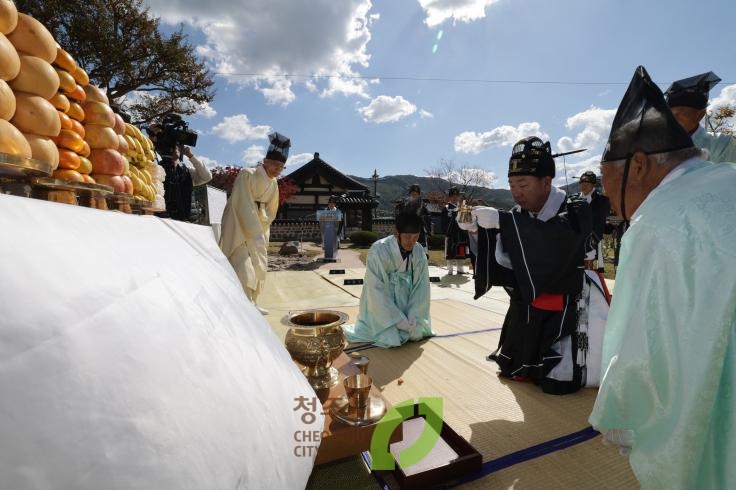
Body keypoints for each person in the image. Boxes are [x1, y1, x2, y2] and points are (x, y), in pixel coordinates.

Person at [589, 66, 736, 489]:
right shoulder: (724, 175)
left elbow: (646, 350)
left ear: (638, 166)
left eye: (608, 183)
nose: (615, 209)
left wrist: (619, 414)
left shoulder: (660, 219)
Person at [459, 136, 609, 395]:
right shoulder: (518, 215)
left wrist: (504, 224)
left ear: (547, 181)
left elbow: (558, 243)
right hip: (527, 304)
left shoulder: (574, 209)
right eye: (512, 185)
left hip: (568, 302)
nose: (517, 192)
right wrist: (477, 232)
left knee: (557, 383)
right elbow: (508, 257)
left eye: (523, 184)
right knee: (515, 371)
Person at [219, 132, 290, 315]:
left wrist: (262, 227)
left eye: (281, 166)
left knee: (259, 265)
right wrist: (255, 229)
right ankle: (243, 306)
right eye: (274, 164)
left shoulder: (273, 183)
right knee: (243, 267)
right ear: (265, 160)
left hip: (259, 224)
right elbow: (242, 203)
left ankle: (253, 301)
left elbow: (272, 208)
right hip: (239, 225)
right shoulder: (247, 174)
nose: (277, 169)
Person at [342, 212, 434, 348]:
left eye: (416, 237)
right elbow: (375, 288)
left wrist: (414, 314)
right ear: (396, 233)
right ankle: (390, 321)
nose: (412, 241)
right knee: (390, 336)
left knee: (415, 333)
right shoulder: (379, 249)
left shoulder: (419, 251)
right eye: (408, 236)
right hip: (380, 304)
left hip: (407, 301)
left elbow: (421, 286)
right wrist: (397, 319)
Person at [665, 71, 736, 163]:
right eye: (669, 115)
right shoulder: (660, 145)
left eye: (679, 114)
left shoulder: (722, 143)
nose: (673, 120)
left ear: (700, 115)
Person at [158, 143, 212, 221]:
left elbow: (207, 177)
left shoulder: (187, 171)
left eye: (177, 146)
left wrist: (190, 155)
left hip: (187, 221)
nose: (174, 149)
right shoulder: (158, 169)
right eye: (172, 146)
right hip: (164, 220)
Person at [576, 171, 610, 272]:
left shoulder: (602, 200)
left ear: (593, 184)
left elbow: (599, 220)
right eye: (582, 183)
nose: (584, 185)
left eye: (587, 183)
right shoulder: (573, 199)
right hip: (576, 240)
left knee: (588, 272)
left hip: (592, 238)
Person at [440, 186, 469, 275]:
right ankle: (450, 269)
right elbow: (443, 221)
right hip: (450, 233)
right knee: (450, 251)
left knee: (460, 250)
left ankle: (460, 269)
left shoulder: (463, 207)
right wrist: (446, 231)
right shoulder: (446, 208)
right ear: (449, 197)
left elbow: (466, 220)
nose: (455, 197)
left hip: (460, 233)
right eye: (453, 195)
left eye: (456, 195)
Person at [394, 184, 431, 252]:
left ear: (419, 195)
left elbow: (428, 217)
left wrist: (422, 217)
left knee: (421, 252)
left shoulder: (423, 205)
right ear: (409, 194)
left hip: (419, 231)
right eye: (412, 194)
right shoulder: (403, 205)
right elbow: (398, 217)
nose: (414, 196)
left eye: (416, 194)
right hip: (406, 231)